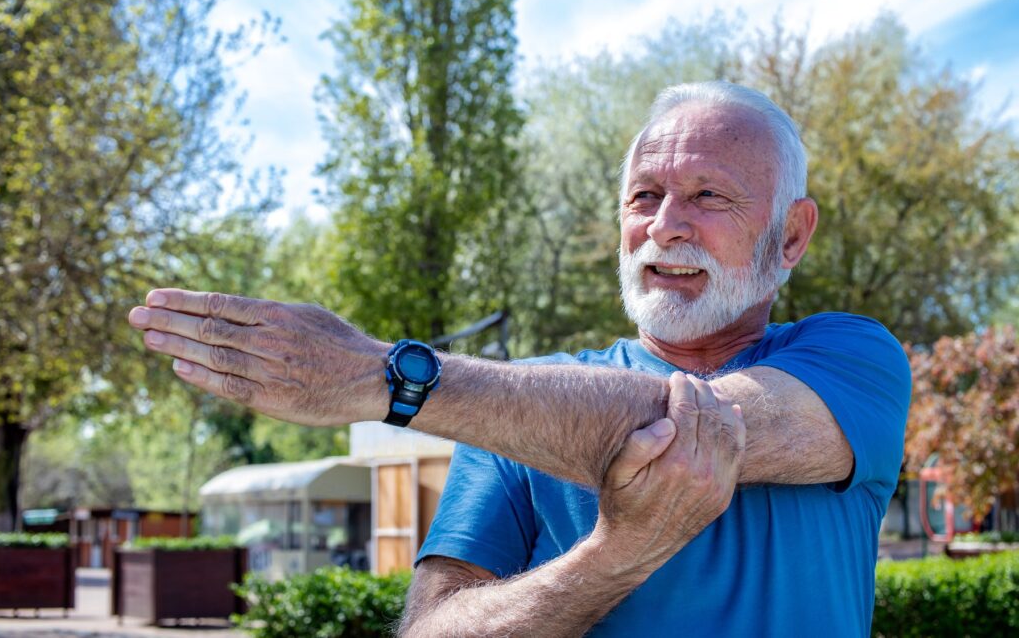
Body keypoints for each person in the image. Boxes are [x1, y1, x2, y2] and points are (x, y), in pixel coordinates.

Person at [128, 81, 911, 636]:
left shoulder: (853, 358)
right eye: (644, 196)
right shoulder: (510, 409)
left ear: (793, 234)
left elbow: (702, 426)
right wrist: (610, 559)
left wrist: (383, 377)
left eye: (710, 196)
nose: (665, 225)